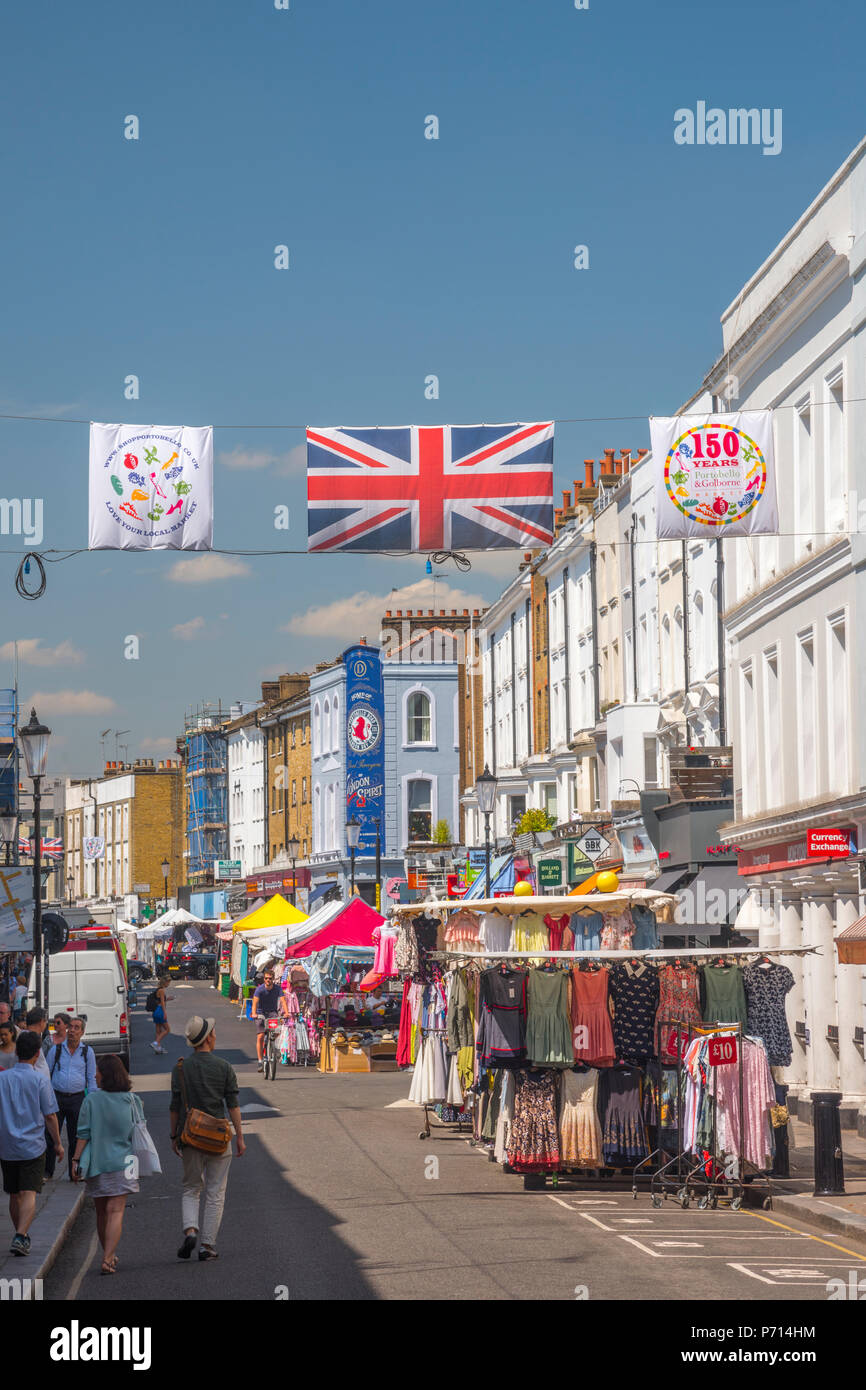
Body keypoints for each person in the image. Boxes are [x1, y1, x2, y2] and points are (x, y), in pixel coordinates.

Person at [170, 1016, 244, 1262]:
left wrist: (174, 1136)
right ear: (209, 1037)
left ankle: (190, 1229)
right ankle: (207, 1246)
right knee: (215, 1192)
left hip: (190, 1137)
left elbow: (174, 1106)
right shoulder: (223, 1067)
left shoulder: (181, 1068)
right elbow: (232, 1105)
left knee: (191, 1188)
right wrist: (240, 1137)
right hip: (218, 1139)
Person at [71, 1054, 140, 1275]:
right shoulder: (132, 1101)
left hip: (97, 1163)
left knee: (101, 1212)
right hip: (125, 1162)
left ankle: (108, 1255)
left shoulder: (91, 1100)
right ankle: (108, 1257)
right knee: (116, 1210)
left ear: (106, 1075)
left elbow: (83, 1133)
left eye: (98, 1071)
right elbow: (138, 1132)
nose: (95, 1075)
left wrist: (75, 1160)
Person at [0, 1031, 63, 1255]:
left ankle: (22, 1235)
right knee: (29, 1193)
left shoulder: (2, 1078)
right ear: (38, 1054)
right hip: (33, 1146)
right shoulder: (40, 1080)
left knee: (14, 1194)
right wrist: (58, 1143)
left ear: (17, 1052)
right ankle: (20, 1235)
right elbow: (50, 1115)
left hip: (6, 1146)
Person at [48, 1015, 96, 1179]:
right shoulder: (56, 1049)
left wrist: (92, 1100)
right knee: (51, 1135)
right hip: (57, 1097)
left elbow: (91, 1078)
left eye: (76, 1028)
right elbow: (47, 1074)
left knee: (76, 1136)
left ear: (82, 1032)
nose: (72, 1031)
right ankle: (48, 1172)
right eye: (70, 1027)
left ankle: (74, 1172)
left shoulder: (87, 1052)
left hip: (77, 1099)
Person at [22, 1008, 57, 1177]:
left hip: (36, 1089)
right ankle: (43, 1170)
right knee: (44, 1131)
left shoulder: (31, 1037)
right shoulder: (31, 1039)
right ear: (42, 1021)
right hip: (37, 1091)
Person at [251, 969, 288, 1072]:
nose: (268, 980)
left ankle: (272, 1044)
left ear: (273, 979)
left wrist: (287, 1012)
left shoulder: (278, 989)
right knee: (260, 1036)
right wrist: (254, 1013)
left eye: (270, 979)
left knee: (277, 1031)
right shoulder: (260, 989)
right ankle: (260, 1061)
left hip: (272, 1013)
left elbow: (283, 1001)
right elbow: (254, 1003)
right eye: (266, 978)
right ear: (264, 979)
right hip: (260, 1013)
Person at [151, 976, 172, 1054]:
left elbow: (160, 1000)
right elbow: (162, 1003)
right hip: (160, 1011)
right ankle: (155, 1043)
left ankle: (158, 1049)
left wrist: (167, 999)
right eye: (168, 982)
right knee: (167, 1030)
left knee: (158, 1031)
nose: (169, 984)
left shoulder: (158, 990)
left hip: (155, 1011)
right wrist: (164, 1013)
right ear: (165, 982)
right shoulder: (162, 991)